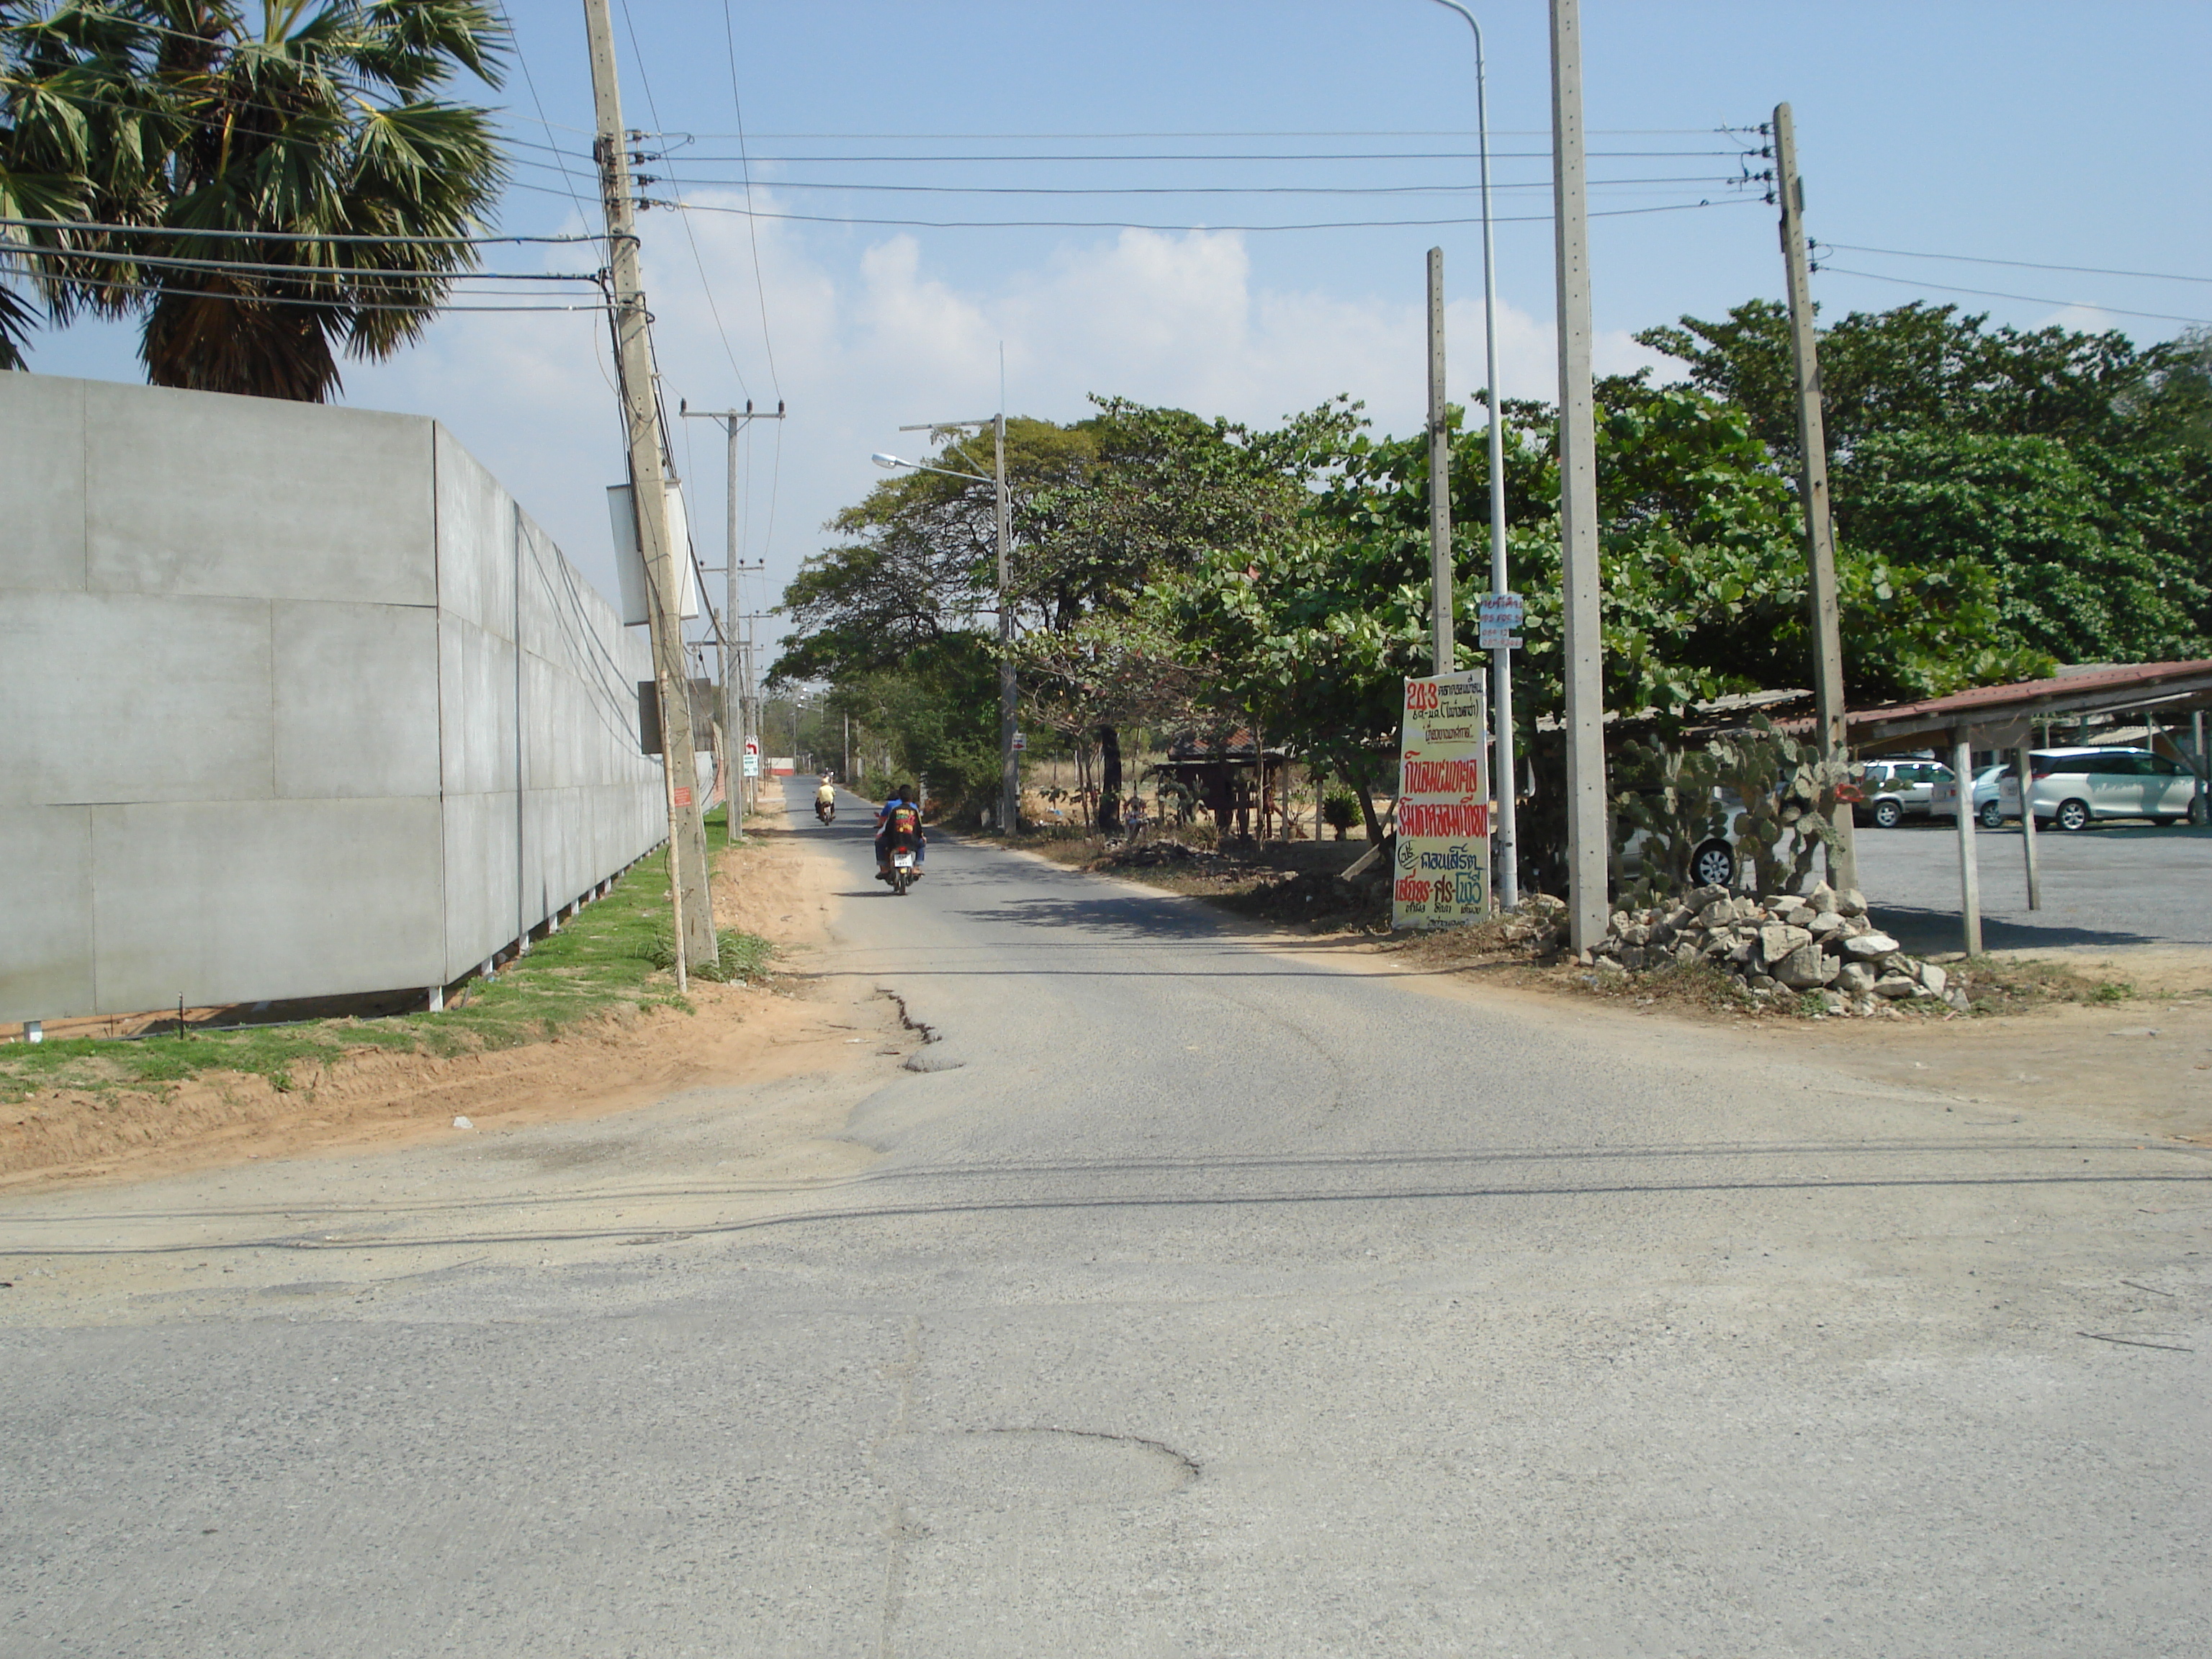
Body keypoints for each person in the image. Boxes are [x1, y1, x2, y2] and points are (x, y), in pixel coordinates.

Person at [876, 783, 926, 882]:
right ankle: (916, 867)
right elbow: (918, 827)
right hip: (911, 841)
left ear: (900, 797)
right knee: (922, 844)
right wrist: (922, 837)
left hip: (894, 841)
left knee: (879, 843)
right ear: (911, 798)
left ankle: (884, 868)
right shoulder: (914, 810)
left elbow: (889, 827)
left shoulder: (895, 810)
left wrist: (882, 836)